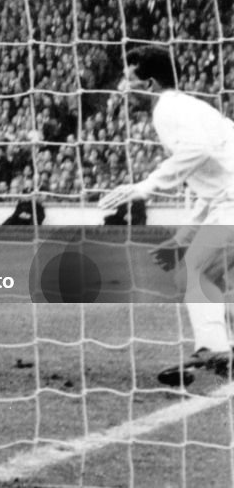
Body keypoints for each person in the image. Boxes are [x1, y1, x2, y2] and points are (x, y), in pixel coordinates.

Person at [98, 46, 234, 385]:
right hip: (226, 202)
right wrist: (184, 235)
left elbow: (198, 150)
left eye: (128, 79)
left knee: (195, 273)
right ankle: (217, 347)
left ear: (150, 83)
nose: (122, 87)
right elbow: (215, 181)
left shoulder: (168, 109)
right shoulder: (191, 107)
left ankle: (215, 350)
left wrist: (147, 185)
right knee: (207, 276)